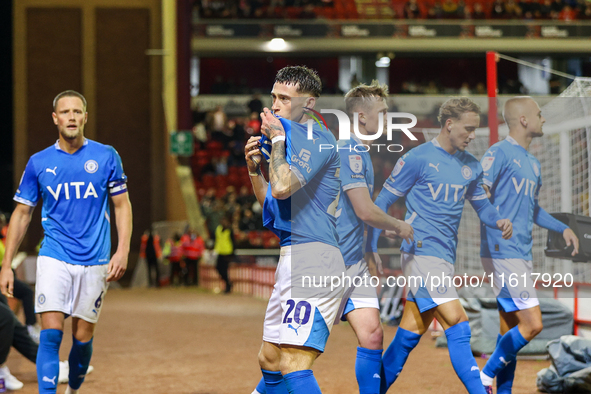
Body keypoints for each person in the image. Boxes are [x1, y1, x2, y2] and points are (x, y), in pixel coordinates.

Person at [368, 97, 513, 394]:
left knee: (410, 333)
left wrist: (498, 220)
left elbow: (483, 209)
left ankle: (372, 390)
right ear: (449, 125)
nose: (473, 135)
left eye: (476, 129)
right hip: (420, 253)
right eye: (469, 129)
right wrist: (371, 248)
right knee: (458, 325)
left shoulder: (471, 166)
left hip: (445, 256)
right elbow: (380, 203)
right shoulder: (417, 158)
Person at [0, 90, 132, 394]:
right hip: (54, 256)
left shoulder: (106, 156)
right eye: (65, 112)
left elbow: (122, 205)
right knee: (50, 335)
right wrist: (7, 265)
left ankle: (73, 387)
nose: (71, 117)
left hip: (96, 260)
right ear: (55, 118)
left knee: (82, 339)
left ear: (85, 117)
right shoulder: (39, 163)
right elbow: (21, 215)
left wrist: (122, 250)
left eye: (77, 112)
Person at [246, 66, 345, 394]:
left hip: (316, 259)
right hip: (294, 257)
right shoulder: (286, 140)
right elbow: (271, 203)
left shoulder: (318, 138)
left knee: (293, 363)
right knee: (270, 358)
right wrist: (253, 171)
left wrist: (275, 140)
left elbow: (283, 187)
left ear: (309, 104)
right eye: (274, 96)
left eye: (285, 99)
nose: (275, 105)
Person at [478, 97, 579, 394]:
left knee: (510, 329)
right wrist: (496, 221)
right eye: (538, 114)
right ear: (523, 119)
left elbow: (533, 210)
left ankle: (501, 390)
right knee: (533, 324)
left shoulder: (532, 163)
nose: (543, 119)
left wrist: (563, 228)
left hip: (518, 252)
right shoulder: (499, 152)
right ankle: (484, 376)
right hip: (501, 251)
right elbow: (479, 191)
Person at [332, 82, 414, 394]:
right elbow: (365, 211)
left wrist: (368, 247)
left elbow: (358, 214)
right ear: (361, 117)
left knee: (373, 335)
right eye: (382, 112)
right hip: (331, 263)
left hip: (354, 261)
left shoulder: (360, 151)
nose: (387, 118)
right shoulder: (350, 150)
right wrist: (398, 225)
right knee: (298, 352)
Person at [213, 216, 235, 294]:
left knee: (225, 270)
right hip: (220, 251)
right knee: (218, 268)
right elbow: (216, 239)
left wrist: (232, 253)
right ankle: (228, 283)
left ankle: (227, 286)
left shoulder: (230, 230)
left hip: (227, 252)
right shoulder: (218, 229)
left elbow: (233, 242)